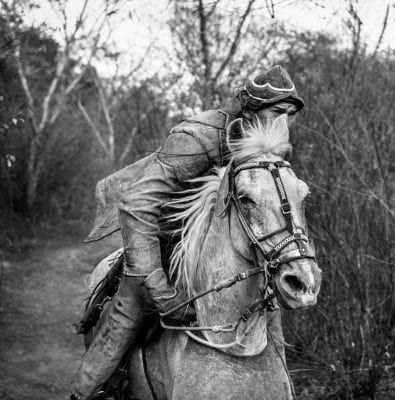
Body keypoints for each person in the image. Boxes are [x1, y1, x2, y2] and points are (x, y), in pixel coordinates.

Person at [71, 65, 304, 400]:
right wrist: (159, 289)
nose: (284, 121)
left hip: (221, 248)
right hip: (163, 238)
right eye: (277, 111)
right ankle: (89, 391)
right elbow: (137, 206)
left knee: (271, 316)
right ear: (252, 110)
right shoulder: (198, 136)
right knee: (129, 313)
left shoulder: (272, 147)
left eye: (290, 114)